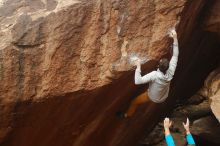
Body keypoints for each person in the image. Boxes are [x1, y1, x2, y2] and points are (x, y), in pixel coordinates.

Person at [121, 29, 179, 118]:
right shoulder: (171, 71)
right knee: (149, 79)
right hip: (163, 97)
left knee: (134, 102)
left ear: (158, 66)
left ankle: (126, 115)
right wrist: (175, 38)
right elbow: (175, 55)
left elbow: (137, 81)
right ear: (168, 67)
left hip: (151, 97)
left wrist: (138, 66)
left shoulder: (154, 75)